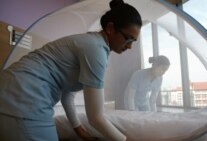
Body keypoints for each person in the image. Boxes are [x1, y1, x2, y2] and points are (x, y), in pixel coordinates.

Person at [0, 0, 142, 141]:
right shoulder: (96, 49)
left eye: (133, 42)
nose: (129, 47)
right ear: (110, 28)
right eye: (128, 39)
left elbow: (67, 95)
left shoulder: (92, 44)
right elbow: (96, 118)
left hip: (10, 89)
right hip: (24, 96)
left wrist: (78, 129)